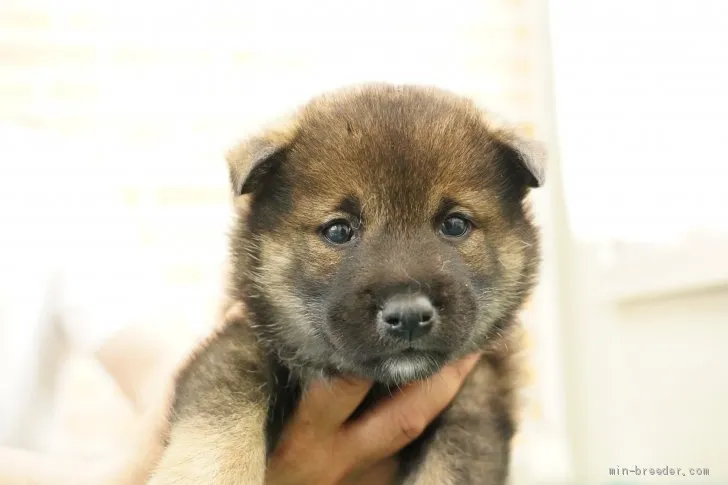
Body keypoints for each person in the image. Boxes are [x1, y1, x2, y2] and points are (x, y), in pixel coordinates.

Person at [0, 125, 479, 485]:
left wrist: (234, 400)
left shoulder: (43, 181)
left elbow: (160, 363)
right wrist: (129, 474)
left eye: (455, 227)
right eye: (338, 232)